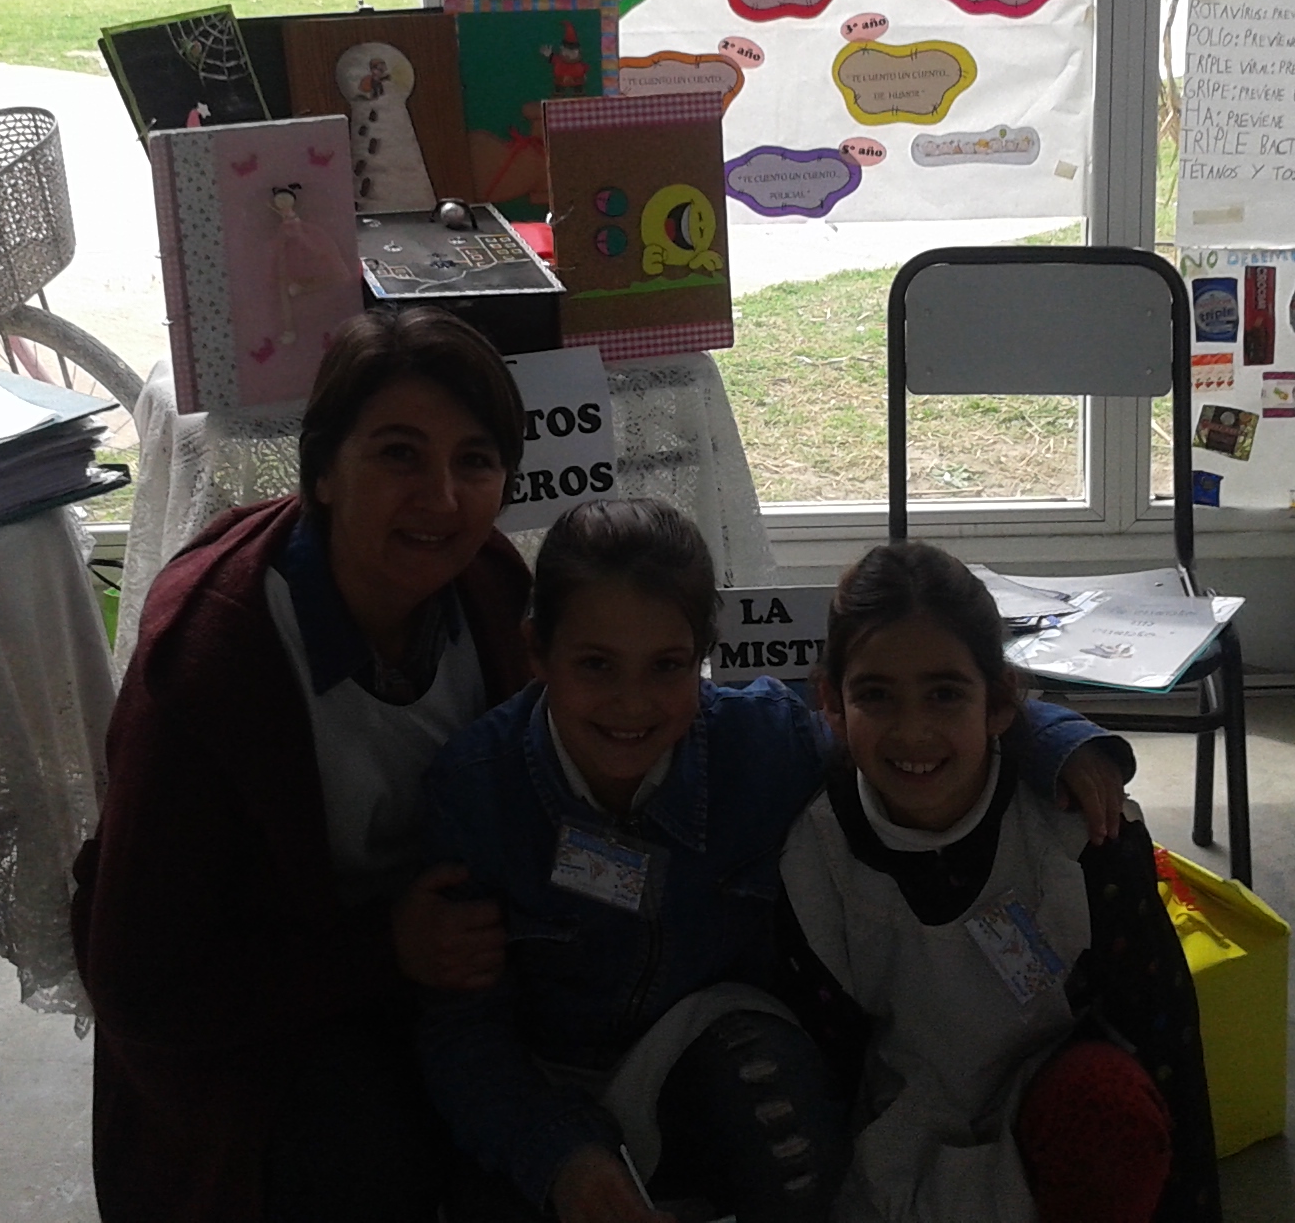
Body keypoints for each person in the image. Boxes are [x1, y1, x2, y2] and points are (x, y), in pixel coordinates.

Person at [420, 498, 1136, 1223]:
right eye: (595, 665)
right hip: (541, 1089)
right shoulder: (476, 788)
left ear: (703, 658)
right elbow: (461, 1034)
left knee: (781, 1112)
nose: (630, 704)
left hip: (709, 1065)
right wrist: (560, 1158)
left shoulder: (759, 745)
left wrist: (1053, 739)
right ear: (536, 651)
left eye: (667, 666)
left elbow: (896, 722)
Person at [71, 306, 535, 1222]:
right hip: (268, 1031)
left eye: (475, 462)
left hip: (440, 974)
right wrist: (387, 950)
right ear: (322, 470)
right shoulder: (211, 663)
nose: (443, 499)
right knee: (374, 1148)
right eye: (399, 455)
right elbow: (139, 985)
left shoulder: (491, 586)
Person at [778, 543, 1220, 1223]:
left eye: (945, 694)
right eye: (876, 696)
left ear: (1001, 702)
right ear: (832, 705)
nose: (913, 731)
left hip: (1054, 1117)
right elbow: (824, 1057)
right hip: (896, 1132)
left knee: (1112, 1114)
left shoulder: (1082, 832)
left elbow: (1165, 1042)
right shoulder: (817, 854)